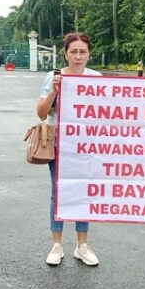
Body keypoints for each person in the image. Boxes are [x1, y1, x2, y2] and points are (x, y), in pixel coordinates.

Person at [37, 32, 102, 267]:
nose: (77, 56)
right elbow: (41, 112)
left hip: (86, 147)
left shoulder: (97, 78)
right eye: (73, 51)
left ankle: (82, 245)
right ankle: (57, 245)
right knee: (59, 193)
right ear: (65, 53)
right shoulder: (54, 77)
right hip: (59, 148)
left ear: (89, 54)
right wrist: (54, 90)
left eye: (82, 52)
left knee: (83, 193)